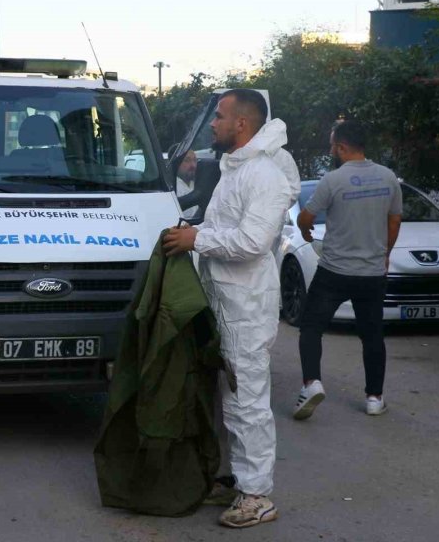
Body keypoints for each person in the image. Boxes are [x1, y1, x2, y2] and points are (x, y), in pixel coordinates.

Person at [163, 89, 295, 528]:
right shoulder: (235, 170)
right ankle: (234, 478)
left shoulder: (264, 175)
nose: (213, 125)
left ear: (242, 124)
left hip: (247, 307)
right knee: (227, 398)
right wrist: (193, 230)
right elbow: (222, 228)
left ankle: (257, 495)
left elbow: (253, 243)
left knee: (247, 401)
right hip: (225, 302)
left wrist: (196, 239)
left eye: (219, 117)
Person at [293, 120, 402, 420]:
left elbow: (306, 216)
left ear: (342, 147)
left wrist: (305, 231)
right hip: (372, 274)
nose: (331, 150)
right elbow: (394, 221)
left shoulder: (333, 180)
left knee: (312, 327)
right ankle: (374, 398)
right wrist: (386, 253)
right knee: (372, 336)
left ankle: (311, 383)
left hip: (334, 272)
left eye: (332, 145)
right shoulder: (388, 177)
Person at [175, 150, 199, 219]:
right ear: (176, 163)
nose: (193, 165)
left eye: (195, 160)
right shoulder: (172, 187)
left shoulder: (198, 184)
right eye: (187, 160)